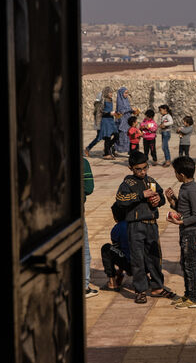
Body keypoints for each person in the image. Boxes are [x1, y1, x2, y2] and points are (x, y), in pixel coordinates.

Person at [113, 150, 175, 304]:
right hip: (135, 226)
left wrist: (158, 200)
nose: (142, 172)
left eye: (145, 168)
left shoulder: (152, 181)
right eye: (138, 169)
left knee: (155, 257)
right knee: (137, 259)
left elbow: (160, 197)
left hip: (151, 225)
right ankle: (140, 290)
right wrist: (141, 195)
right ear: (131, 168)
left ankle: (157, 287)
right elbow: (121, 200)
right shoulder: (127, 184)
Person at [164, 156, 196, 309]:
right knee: (185, 263)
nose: (175, 175)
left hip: (191, 233)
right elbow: (183, 209)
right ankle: (188, 294)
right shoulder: (185, 187)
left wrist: (181, 222)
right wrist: (172, 200)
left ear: (181, 174)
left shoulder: (192, 190)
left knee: (190, 265)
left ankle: (194, 298)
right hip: (185, 232)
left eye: (175, 172)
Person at [100, 219, 131, 292]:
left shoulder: (118, 227)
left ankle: (112, 283)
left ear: (115, 217)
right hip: (146, 266)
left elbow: (118, 249)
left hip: (131, 265)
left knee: (106, 248)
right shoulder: (140, 223)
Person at [83, 157, 98, 298]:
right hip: (76, 214)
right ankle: (84, 286)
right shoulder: (83, 163)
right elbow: (88, 188)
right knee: (84, 250)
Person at [96, 87, 119, 160]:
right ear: (106, 93)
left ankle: (107, 148)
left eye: (112, 92)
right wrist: (109, 113)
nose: (111, 94)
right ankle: (106, 154)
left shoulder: (111, 100)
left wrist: (115, 113)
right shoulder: (103, 101)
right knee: (108, 138)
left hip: (111, 120)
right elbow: (101, 112)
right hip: (105, 121)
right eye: (110, 92)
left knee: (117, 135)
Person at [115, 87, 138, 156]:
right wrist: (130, 109)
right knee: (122, 136)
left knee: (129, 135)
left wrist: (133, 111)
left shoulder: (126, 100)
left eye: (127, 93)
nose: (126, 94)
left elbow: (127, 109)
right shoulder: (120, 101)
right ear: (121, 93)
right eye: (125, 93)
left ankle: (129, 150)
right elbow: (121, 110)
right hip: (122, 121)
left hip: (127, 120)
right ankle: (116, 149)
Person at [84, 91, 104, 157]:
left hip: (99, 124)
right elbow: (100, 115)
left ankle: (107, 150)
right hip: (99, 124)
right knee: (99, 138)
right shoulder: (99, 105)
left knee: (105, 137)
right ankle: (88, 148)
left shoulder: (97, 105)